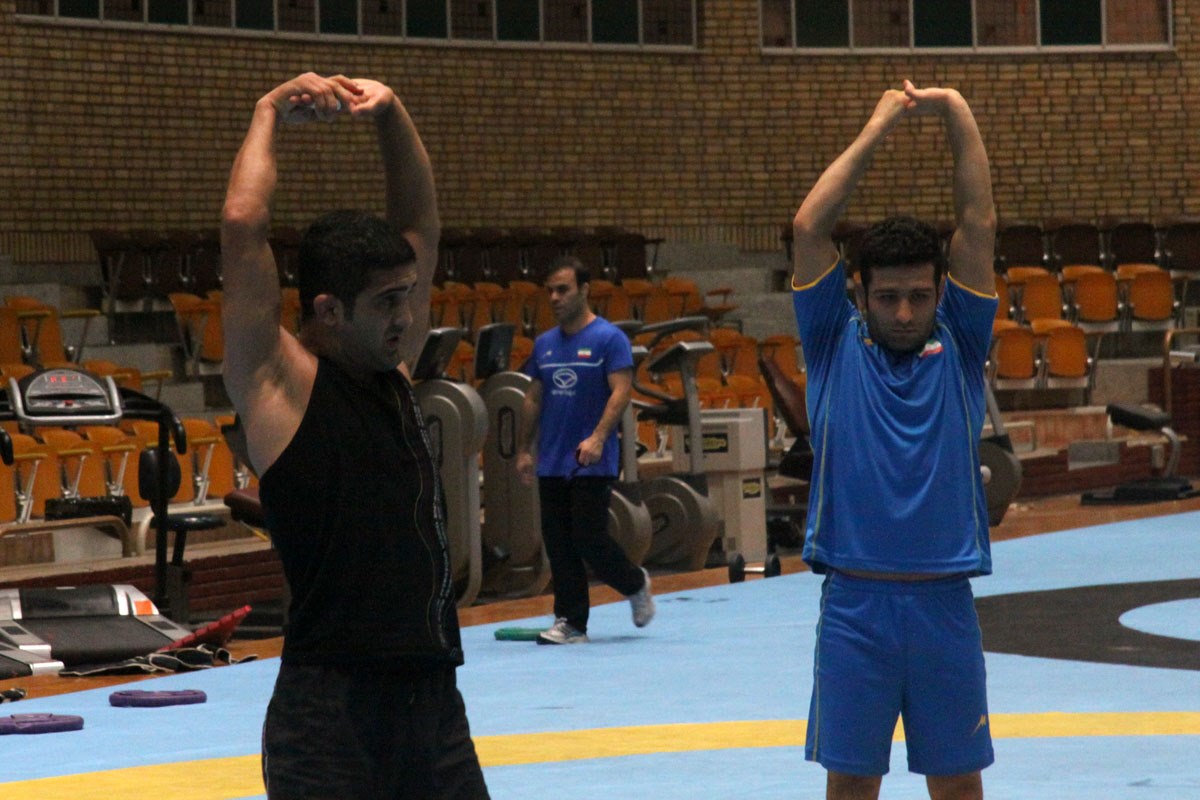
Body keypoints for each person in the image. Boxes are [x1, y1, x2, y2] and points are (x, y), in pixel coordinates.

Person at [221, 72, 490, 799]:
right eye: (387, 302)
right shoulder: (277, 385)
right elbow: (243, 226)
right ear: (329, 310)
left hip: (433, 705)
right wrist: (268, 111)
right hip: (330, 718)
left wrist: (391, 114)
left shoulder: (391, 369)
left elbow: (420, 225)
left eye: (408, 296)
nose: (408, 316)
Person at [790, 80, 998, 800]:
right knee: (851, 785)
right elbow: (809, 227)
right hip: (856, 606)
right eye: (887, 297)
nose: (905, 312)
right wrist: (879, 124)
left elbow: (977, 222)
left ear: (941, 293)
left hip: (944, 603)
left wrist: (955, 108)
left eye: (919, 296)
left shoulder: (962, 341)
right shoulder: (830, 341)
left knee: (958, 785)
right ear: (858, 292)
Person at [516, 256, 655, 644]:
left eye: (563, 290)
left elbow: (621, 392)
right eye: (550, 291)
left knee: (588, 538)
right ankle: (571, 623)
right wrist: (524, 450)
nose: (555, 298)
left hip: (590, 459)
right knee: (559, 546)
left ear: (584, 290)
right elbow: (533, 397)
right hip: (552, 460)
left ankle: (634, 583)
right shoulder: (544, 344)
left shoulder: (609, 339)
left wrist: (597, 438)